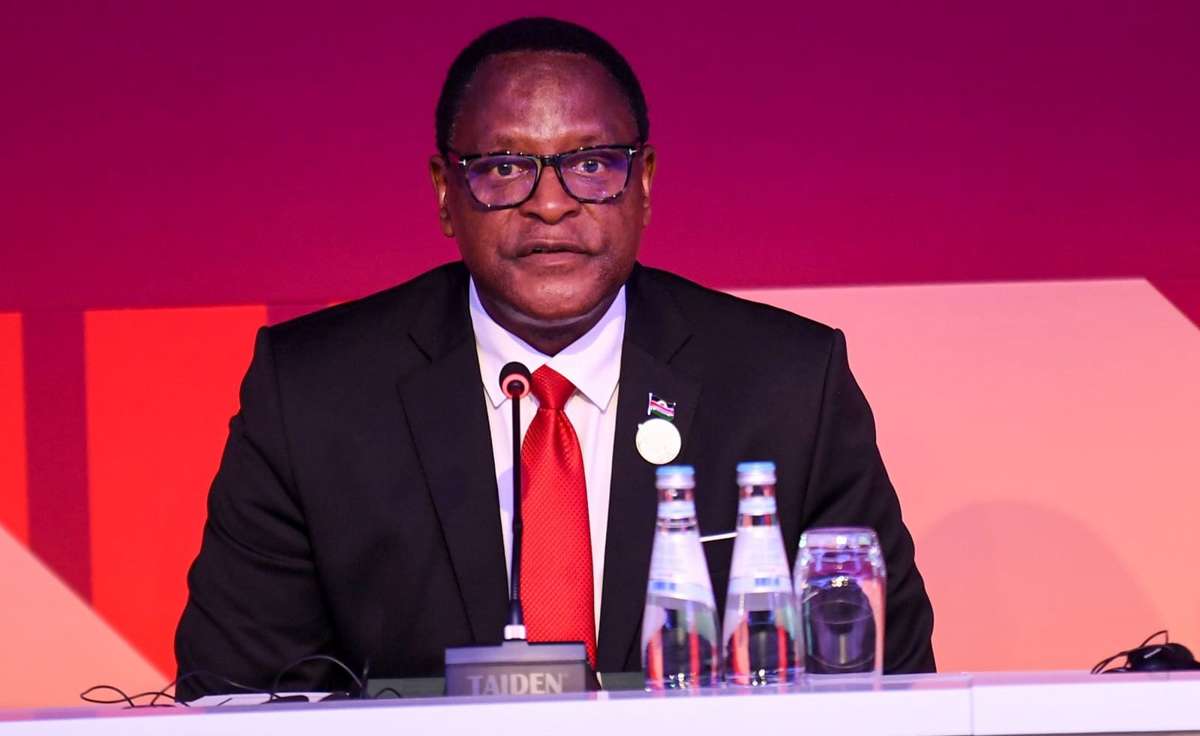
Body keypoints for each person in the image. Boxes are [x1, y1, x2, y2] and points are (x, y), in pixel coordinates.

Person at [174, 17, 935, 699]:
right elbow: (237, 693)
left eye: (592, 164)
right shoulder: (314, 394)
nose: (550, 204)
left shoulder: (788, 386)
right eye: (504, 168)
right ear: (444, 194)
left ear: (644, 184)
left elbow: (890, 684)